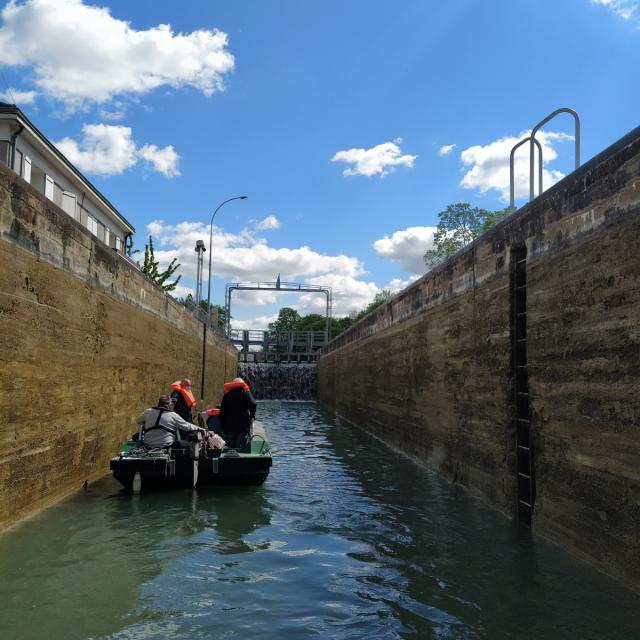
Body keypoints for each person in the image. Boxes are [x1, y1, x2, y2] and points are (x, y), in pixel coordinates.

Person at [137, 394, 205, 448]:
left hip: (148, 444)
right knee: (189, 443)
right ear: (169, 405)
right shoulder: (173, 415)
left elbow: (138, 421)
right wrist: (202, 430)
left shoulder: (148, 411)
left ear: (159, 403)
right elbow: (187, 427)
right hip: (167, 445)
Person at [219, 377, 257, 449]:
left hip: (229, 426)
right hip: (242, 426)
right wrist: (252, 416)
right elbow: (253, 404)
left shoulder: (227, 395)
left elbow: (222, 412)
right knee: (241, 449)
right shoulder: (245, 393)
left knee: (229, 449)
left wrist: (222, 426)